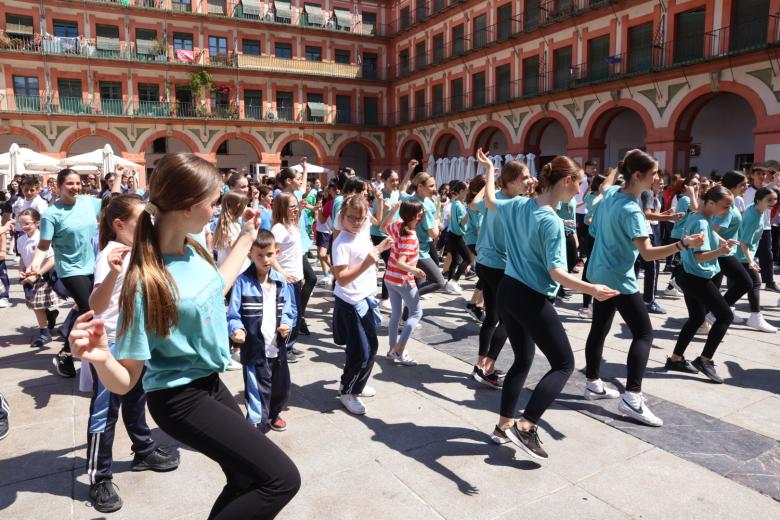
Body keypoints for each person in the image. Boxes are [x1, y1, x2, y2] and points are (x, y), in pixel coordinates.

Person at [69, 153, 300, 518]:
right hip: (179, 399)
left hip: (209, 383)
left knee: (245, 478)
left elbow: (213, 288)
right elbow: (127, 381)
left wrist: (245, 239)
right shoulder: (145, 280)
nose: (218, 208)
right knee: (282, 479)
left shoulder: (193, 249)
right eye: (214, 201)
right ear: (189, 208)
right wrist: (100, 357)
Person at [482, 150, 619, 459]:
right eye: (579, 183)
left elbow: (490, 200)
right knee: (564, 364)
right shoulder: (552, 221)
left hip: (507, 291)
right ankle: (526, 425)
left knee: (522, 360)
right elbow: (557, 274)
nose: (581, 190)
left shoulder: (518, 204)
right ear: (567, 181)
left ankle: (503, 426)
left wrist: (490, 170)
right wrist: (592, 289)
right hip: (530, 297)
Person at [584, 149, 703, 426]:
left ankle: (592, 383)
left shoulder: (612, 195)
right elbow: (649, 254)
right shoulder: (630, 209)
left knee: (599, 328)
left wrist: (620, 164)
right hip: (618, 277)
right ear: (638, 175)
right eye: (654, 173)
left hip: (599, 270)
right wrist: (684, 244)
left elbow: (604, 185)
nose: (657, 178)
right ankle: (632, 397)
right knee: (644, 333)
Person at [85, 194, 179, 513]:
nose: (148, 226)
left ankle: (143, 449)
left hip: (136, 341)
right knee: (104, 411)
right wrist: (112, 273)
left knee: (136, 399)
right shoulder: (111, 254)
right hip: (111, 344)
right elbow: (95, 305)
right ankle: (99, 477)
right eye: (142, 221)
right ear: (119, 225)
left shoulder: (139, 251)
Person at [27, 168, 120, 377]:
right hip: (70, 269)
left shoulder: (88, 202)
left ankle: (70, 341)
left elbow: (112, 201)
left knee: (90, 307)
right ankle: (66, 353)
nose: (75, 187)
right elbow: (43, 246)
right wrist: (34, 266)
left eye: (77, 183)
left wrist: (119, 177)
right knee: (90, 308)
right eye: (70, 184)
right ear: (59, 186)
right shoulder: (51, 214)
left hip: (92, 265)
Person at [665, 185, 738, 384]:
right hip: (696, 276)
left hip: (686, 274)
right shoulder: (703, 222)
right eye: (726, 206)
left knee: (697, 317)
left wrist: (722, 241)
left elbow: (700, 216)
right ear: (712, 203)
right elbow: (700, 257)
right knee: (725, 316)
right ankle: (705, 360)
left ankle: (675, 359)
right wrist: (721, 252)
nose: (728, 210)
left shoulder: (697, 215)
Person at [470, 160, 533, 388]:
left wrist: (489, 174)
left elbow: (475, 203)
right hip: (500, 266)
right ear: (512, 180)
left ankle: (479, 364)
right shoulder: (516, 203)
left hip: (485, 262)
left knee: (492, 316)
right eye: (525, 177)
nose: (529, 181)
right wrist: (490, 174)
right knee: (511, 319)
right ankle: (486, 368)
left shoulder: (493, 197)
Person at [228, 229, 297, 433]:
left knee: (281, 389)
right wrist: (237, 330)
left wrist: (286, 324)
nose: (265, 259)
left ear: (276, 252)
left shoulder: (281, 281)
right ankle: (255, 428)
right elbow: (233, 314)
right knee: (257, 393)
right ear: (250, 254)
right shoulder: (242, 282)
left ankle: (274, 414)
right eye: (259, 255)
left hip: (277, 347)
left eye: (269, 254)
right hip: (255, 349)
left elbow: (289, 310)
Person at [332, 195, 392, 415]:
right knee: (360, 352)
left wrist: (381, 247)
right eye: (352, 218)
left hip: (366, 299)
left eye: (361, 218)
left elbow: (370, 248)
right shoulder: (341, 243)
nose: (357, 222)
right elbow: (342, 278)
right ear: (342, 217)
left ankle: (357, 385)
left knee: (371, 347)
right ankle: (347, 392)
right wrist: (369, 261)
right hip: (350, 302)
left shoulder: (363, 231)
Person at [707, 171, 764, 329]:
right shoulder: (727, 205)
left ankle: (705, 319)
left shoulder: (733, 201)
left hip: (724, 251)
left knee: (714, 289)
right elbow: (712, 230)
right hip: (722, 252)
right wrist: (724, 242)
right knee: (746, 282)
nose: (747, 186)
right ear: (733, 186)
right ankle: (715, 314)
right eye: (743, 184)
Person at [382, 199, 425, 366]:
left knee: (396, 315)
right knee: (416, 313)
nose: (422, 214)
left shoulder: (398, 225)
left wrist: (392, 211)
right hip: (402, 279)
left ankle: (392, 350)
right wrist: (416, 271)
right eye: (420, 212)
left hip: (390, 278)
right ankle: (399, 350)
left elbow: (383, 227)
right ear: (414, 215)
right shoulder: (410, 236)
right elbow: (401, 262)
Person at [277, 163, 317, 339]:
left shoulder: (297, 194)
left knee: (306, 280)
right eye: (298, 179)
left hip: (299, 243)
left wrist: (305, 169)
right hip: (290, 248)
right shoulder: (282, 196)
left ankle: (298, 315)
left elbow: (297, 215)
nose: (301, 182)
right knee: (311, 278)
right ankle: (298, 316)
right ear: (289, 180)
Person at [731, 187, 779, 332]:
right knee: (755, 283)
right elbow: (744, 242)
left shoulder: (756, 209)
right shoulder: (753, 216)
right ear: (759, 200)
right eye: (769, 200)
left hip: (742, 255)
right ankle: (754, 317)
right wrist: (751, 260)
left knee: (746, 284)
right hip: (742, 255)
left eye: (775, 199)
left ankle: (725, 310)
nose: (773, 202)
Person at [16, 209, 62, 348]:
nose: (24, 227)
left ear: (36, 223)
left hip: (42, 276)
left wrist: (38, 274)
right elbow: (23, 258)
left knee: (37, 305)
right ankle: (50, 315)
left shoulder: (42, 238)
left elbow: (51, 260)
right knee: (38, 305)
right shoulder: (20, 239)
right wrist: (20, 271)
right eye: (21, 223)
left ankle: (45, 333)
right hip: (28, 277)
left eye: (27, 223)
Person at [271, 193, 305, 362]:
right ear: (282, 208)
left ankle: (290, 345)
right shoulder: (279, 229)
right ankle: (284, 348)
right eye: (291, 206)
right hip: (286, 279)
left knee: (297, 313)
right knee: (289, 314)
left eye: (296, 206)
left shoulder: (291, 225)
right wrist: (283, 274)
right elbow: (271, 256)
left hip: (296, 277)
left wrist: (301, 275)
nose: (295, 209)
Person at [402, 171, 446, 295]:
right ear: (420, 187)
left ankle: (411, 312)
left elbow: (401, 192)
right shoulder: (423, 207)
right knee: (439, 281)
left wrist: (409, 169)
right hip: (419, 251)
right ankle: (408, 301)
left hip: (415, 247)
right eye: (431, 186)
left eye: (434, 185)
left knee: (419, 282)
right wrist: (436, 222)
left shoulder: (411, 199)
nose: (434, 188)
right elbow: (434, 234)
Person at [743, 164, 780, 292]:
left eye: (763, 174)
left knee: (767, 256)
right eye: (758, 173)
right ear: (752, 175)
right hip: (750, 226)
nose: (761, 176)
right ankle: (740, 279)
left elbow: (769, 188)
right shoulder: (747, 191)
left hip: (765, 227)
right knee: (745, 254)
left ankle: (769, 282)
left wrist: (775, 181)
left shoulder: (767, 190)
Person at [664, 173, 700, 297]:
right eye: (693, 184)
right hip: (681, 234)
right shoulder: (686, 199)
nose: (697, 186)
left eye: (698, 183)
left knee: (682, 261)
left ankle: (673, 285)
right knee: (682, 261)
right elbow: (695, 210)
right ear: (686, 187)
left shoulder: (691, 198)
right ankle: (674, 284)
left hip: (684, 234)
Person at [444, 180, 470, 294]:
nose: (468, 192)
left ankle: (450, 282)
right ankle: (453, 281)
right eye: (466, 190)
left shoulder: (455, 203)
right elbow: (461, 223)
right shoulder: (459, 205)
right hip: (457, 235)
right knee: (467, 259)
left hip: (452, 234)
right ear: (461, 191)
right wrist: (469, 212)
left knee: (455, 260)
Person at [211, 192, 248, 267]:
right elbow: (233, 248)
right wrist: (245, 232)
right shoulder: (229, 226)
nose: (246, 208)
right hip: (230, 269)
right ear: (238, 206)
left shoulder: (233, 225)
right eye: (245, 206)